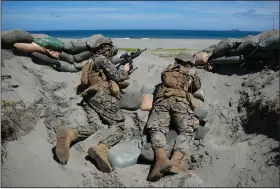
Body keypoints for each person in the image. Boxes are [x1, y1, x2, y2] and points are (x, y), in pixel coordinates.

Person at [55, 37, 131, 173]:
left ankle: (69, 135)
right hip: (100, 96)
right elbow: (117, 77)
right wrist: (125, 69)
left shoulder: (90, 62)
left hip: (88, 97)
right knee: (119, 124)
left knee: (94, 125)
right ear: (107, 48)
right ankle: (102, 149)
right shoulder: (102, 59)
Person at [145, 52, 202, 182]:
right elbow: (197, 86)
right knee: (188, 130)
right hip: (179, 102)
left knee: (157, 128)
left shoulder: (166, 70)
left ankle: (160, 159)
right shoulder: (190, 72)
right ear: (188, 63)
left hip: (161, 100)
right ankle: (175, 161)